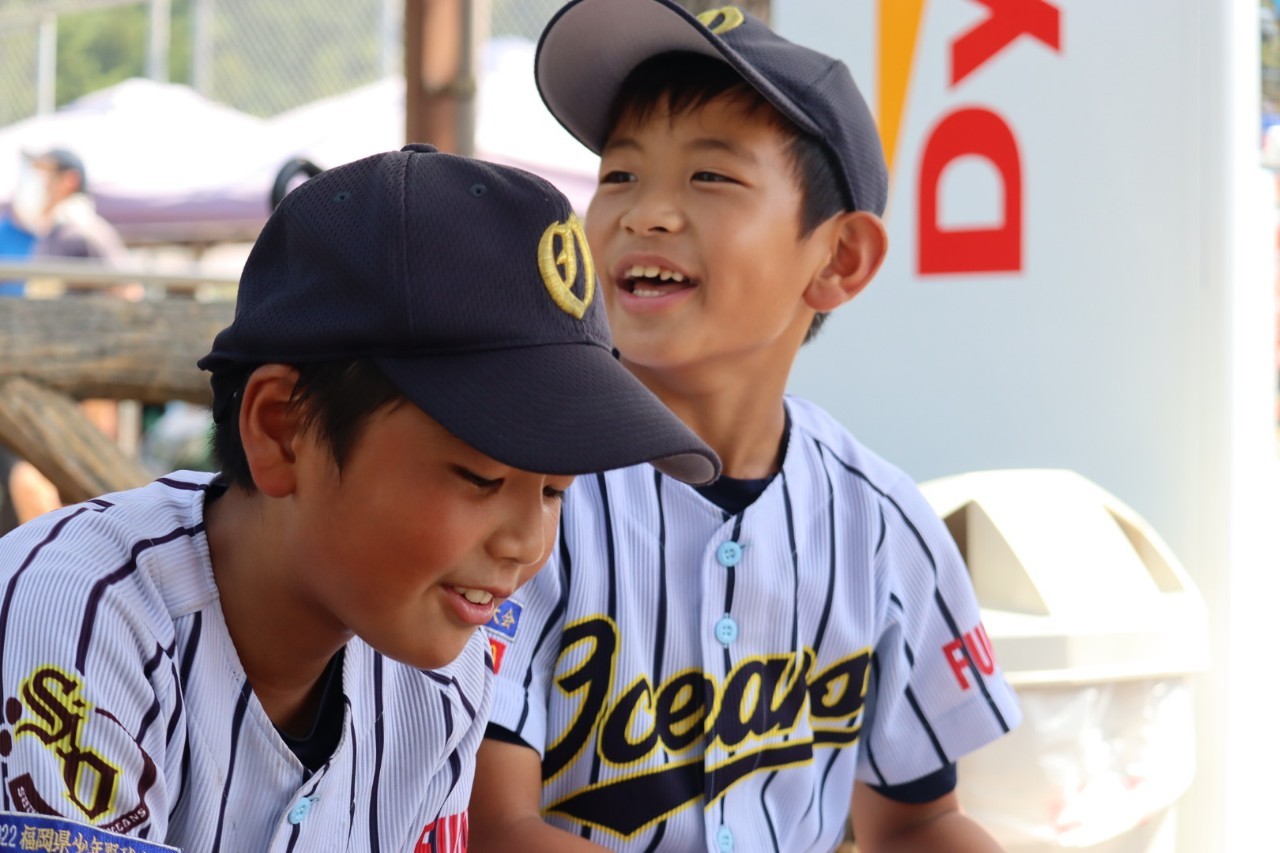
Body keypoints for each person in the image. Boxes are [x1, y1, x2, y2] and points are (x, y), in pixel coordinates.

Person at [0, 144, 718, 852]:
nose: (525, 544)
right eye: (481, 478)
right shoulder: (82, 618)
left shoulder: (443, 674)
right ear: (282, 430)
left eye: (555, 489)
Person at [470, 3, 1022, 852]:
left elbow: (917, 820)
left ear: (839, 260)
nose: (645, 213)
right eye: (619, 175)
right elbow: (492, 825)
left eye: (710, 177)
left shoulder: (879, 522)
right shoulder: (525, 488)